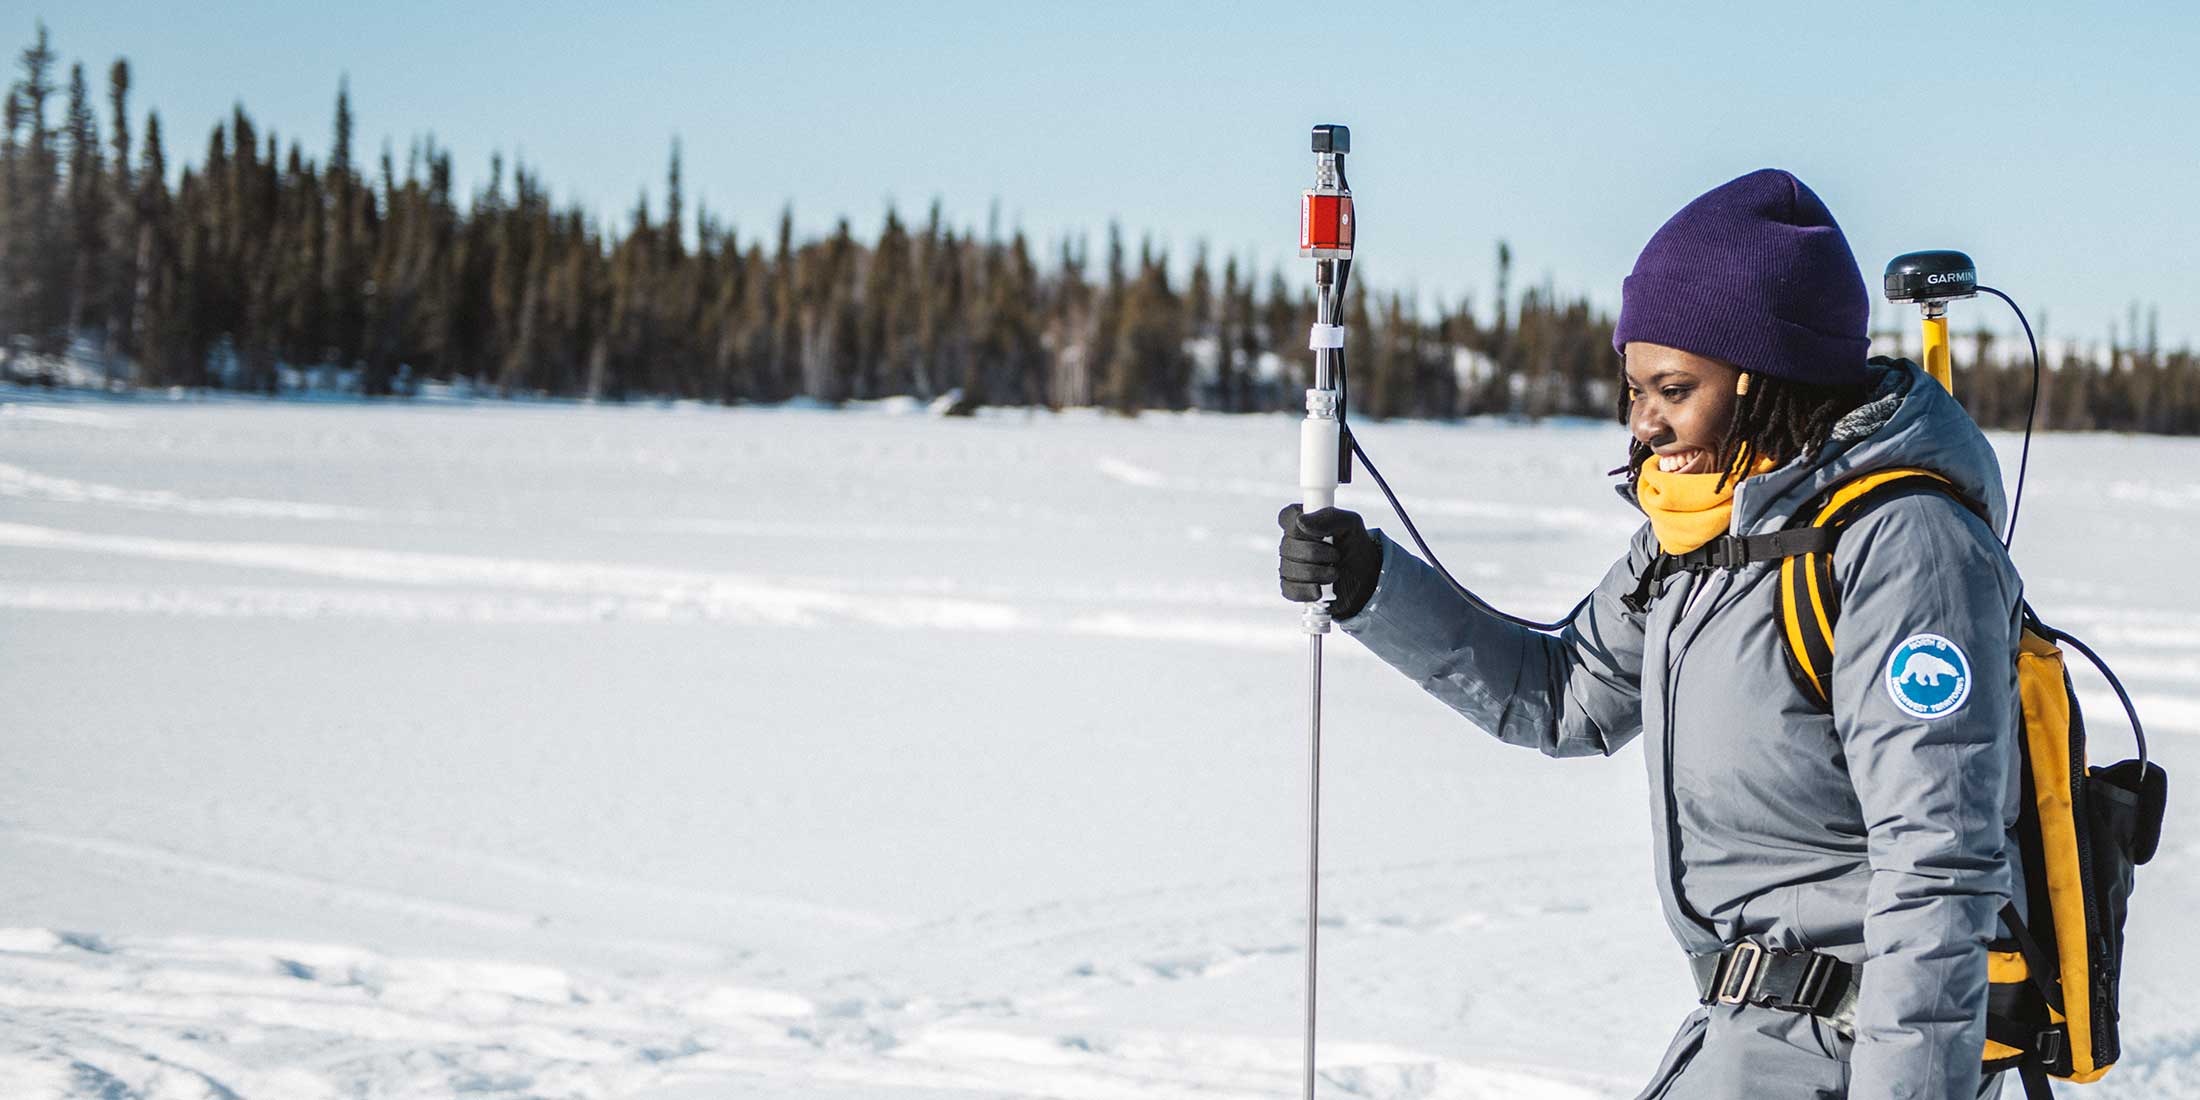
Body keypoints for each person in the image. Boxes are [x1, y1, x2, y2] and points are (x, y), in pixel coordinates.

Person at [1278, 169, 2022, 1100]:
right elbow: (1560, 697)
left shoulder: (1904, 546)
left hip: (1850, 1058)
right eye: (1633, 388)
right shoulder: (1695, 537)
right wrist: (1373, 588)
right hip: (1734, 1044)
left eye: (1673, 388)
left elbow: (1938, 867)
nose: (1645, 424)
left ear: (1762, 378)